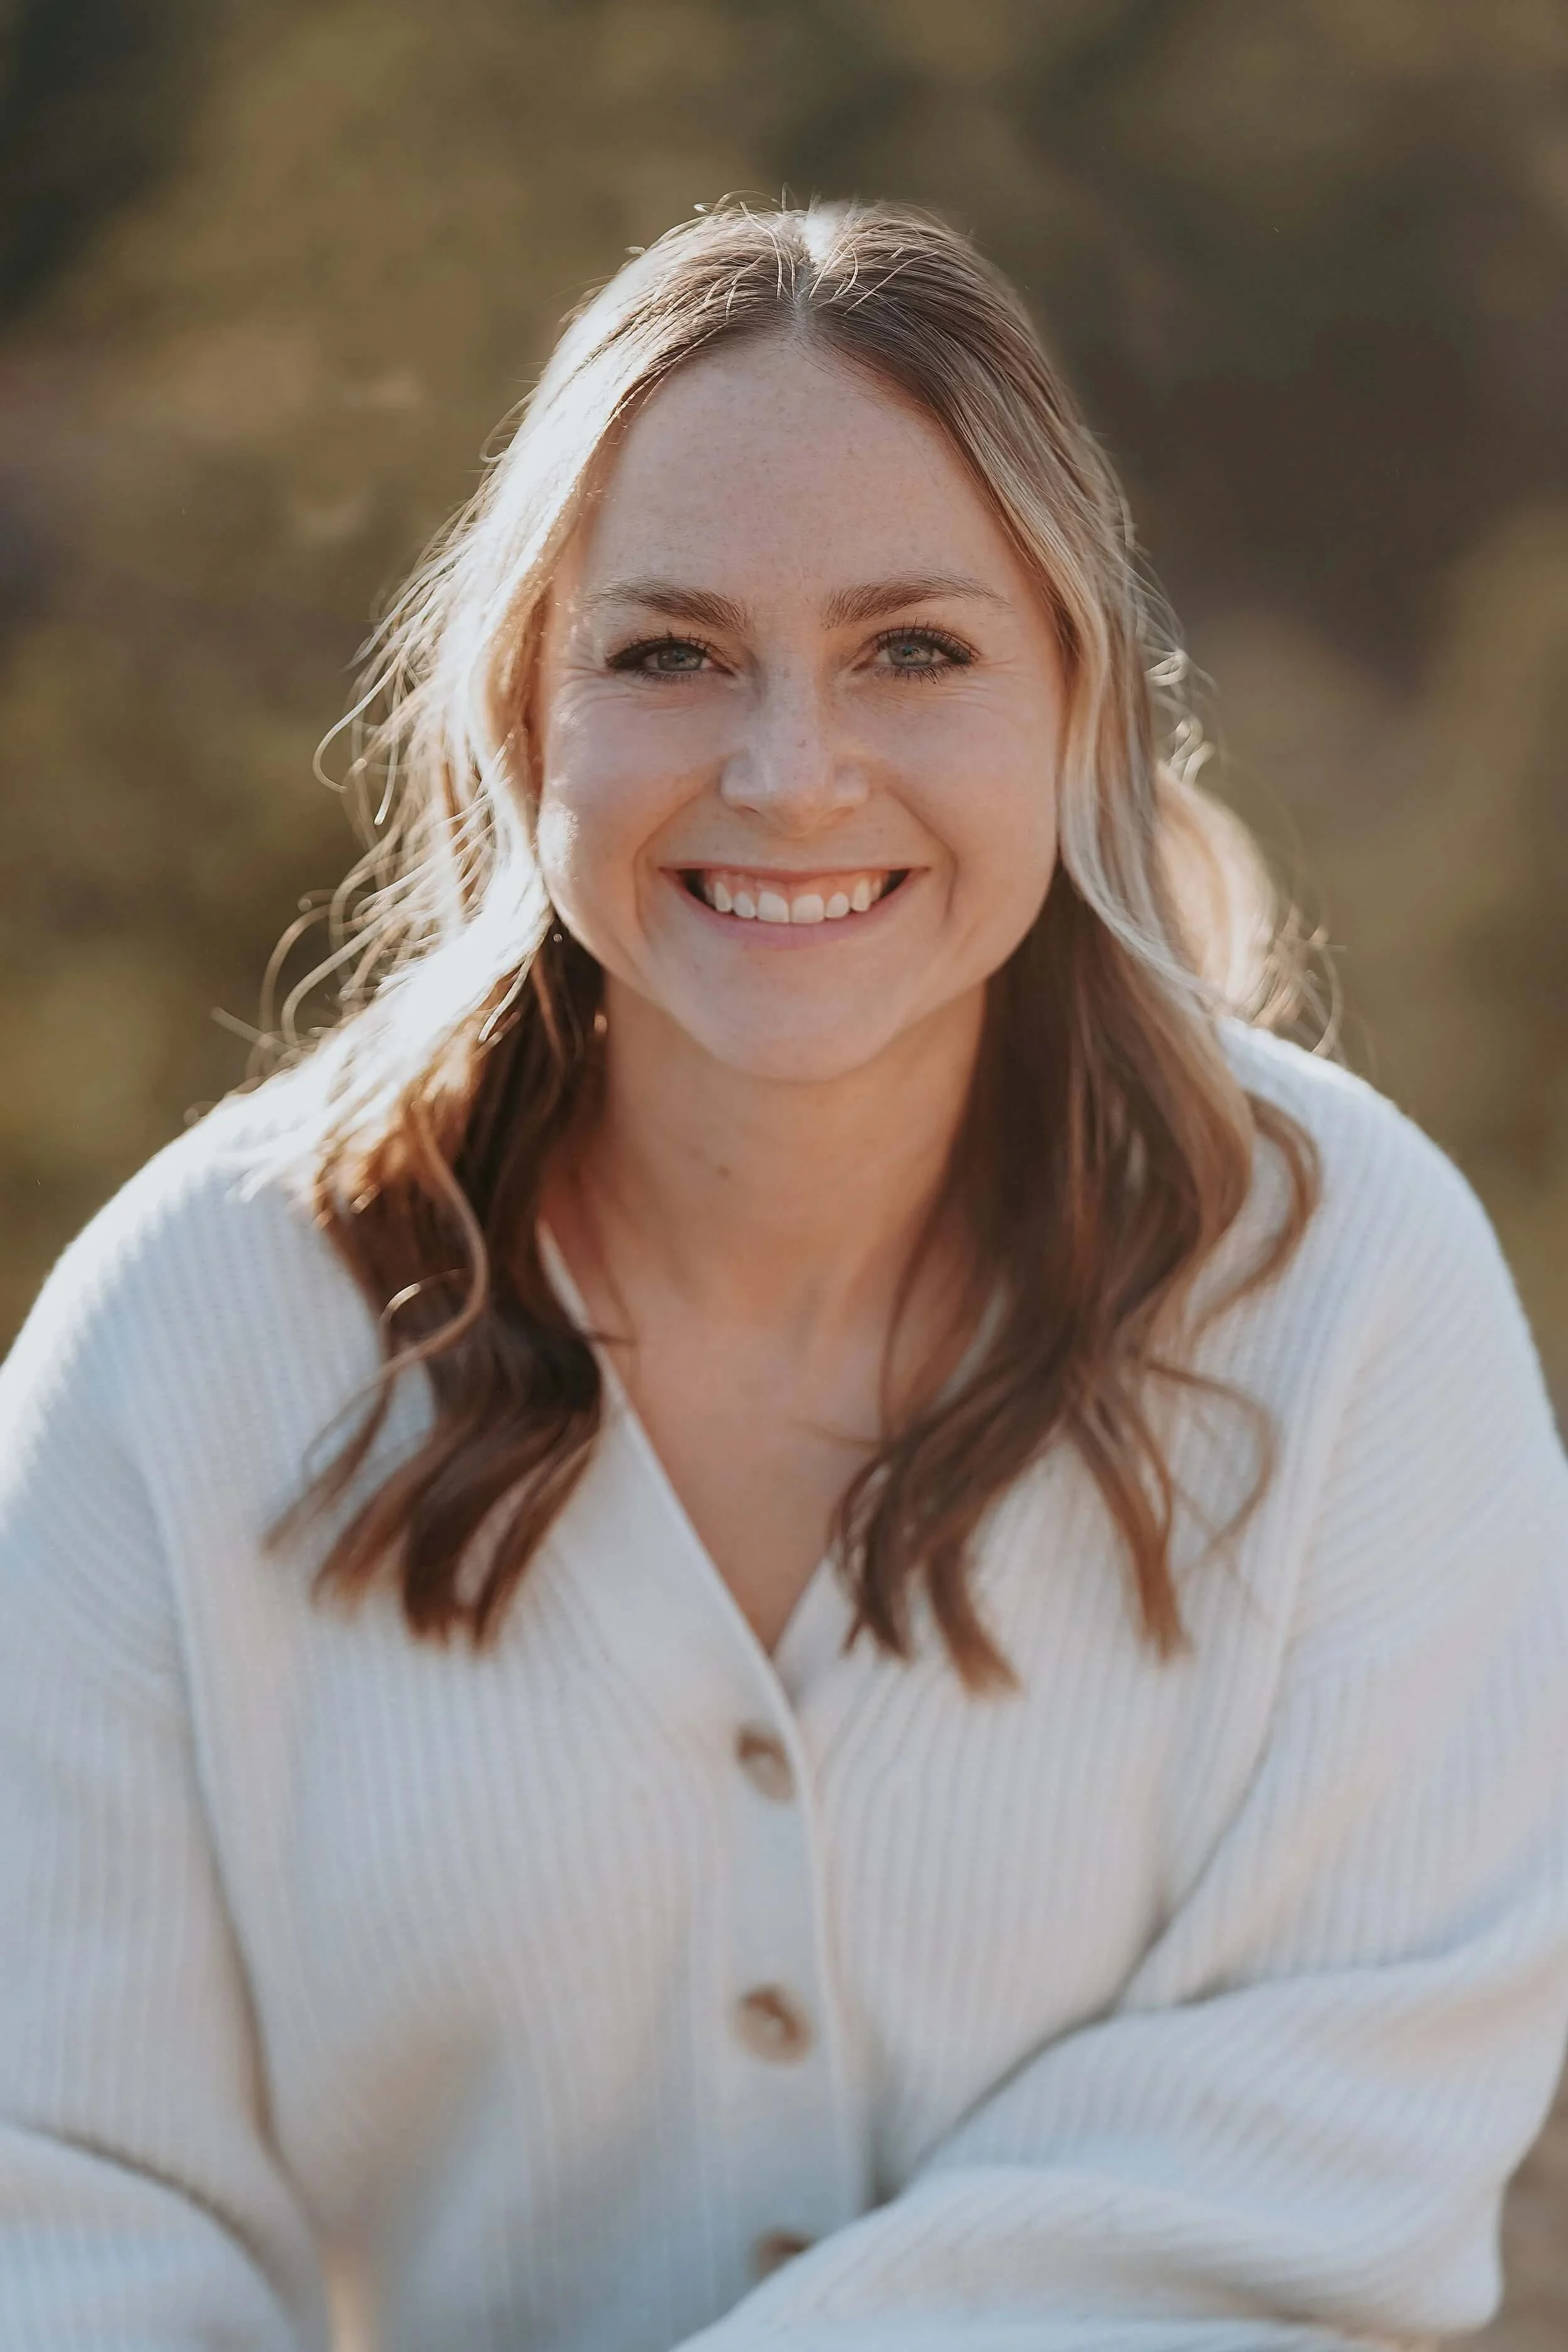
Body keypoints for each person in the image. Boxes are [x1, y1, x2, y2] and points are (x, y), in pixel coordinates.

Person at [1, 199, 1565, 2352]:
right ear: (521, 711)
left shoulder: (1345, 1284)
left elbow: (1323, 2143)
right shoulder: (191, 1333)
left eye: (911, 649)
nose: (786, 773)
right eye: (667, 653)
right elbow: (64, 2197)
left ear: (1075, 703)